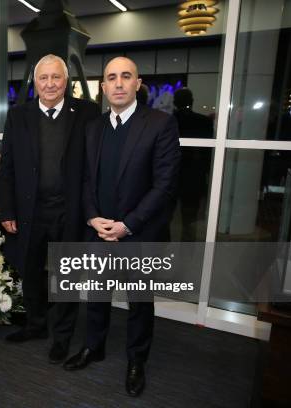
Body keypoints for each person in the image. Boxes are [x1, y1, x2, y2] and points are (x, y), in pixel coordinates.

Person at [63, 57, 180, 397]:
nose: (117, 83)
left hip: (139, 233)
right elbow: (85, 179)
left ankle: (136, 361)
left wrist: (128, 225)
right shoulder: (93, 128)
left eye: (125, 77)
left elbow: (165, 185)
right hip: (99, 229)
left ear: (137, 83)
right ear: (103, 87)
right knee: (96, 294)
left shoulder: (160, 124)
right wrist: (91, 216)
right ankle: (94, 347)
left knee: (139, 302)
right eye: (111, 77)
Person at [0, 54, 99, 363]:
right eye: (44, 78)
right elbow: (9, 166)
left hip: (70, 212)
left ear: (65, 82)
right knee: (30, 270)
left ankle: (63, 336)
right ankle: (36, 325)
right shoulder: (19, 115)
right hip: (30, 212)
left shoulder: (87, 112)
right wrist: (8, 211)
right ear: (36, 82)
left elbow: (94, 166)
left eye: (56, 77)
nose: (50, 83)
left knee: (64, 275)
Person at [173, 87, 213, 241]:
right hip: (194, 175)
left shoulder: (167, 120)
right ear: (192, 101)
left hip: (172, 175)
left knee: (164, 217)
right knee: (190, 219)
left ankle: (161, 253)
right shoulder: (204, 121)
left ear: (175, 102)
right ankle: (187, 252)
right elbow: (207, 153)